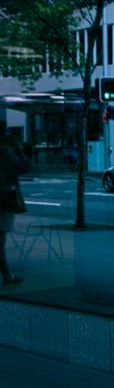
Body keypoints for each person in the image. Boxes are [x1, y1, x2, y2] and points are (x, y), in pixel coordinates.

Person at [0, 118, 29, 286]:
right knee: (0, 239)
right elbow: (24, 166)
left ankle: (6, 274)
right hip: (3, 195)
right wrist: (18, 149)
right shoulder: (4, 149)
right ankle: (6, 275)